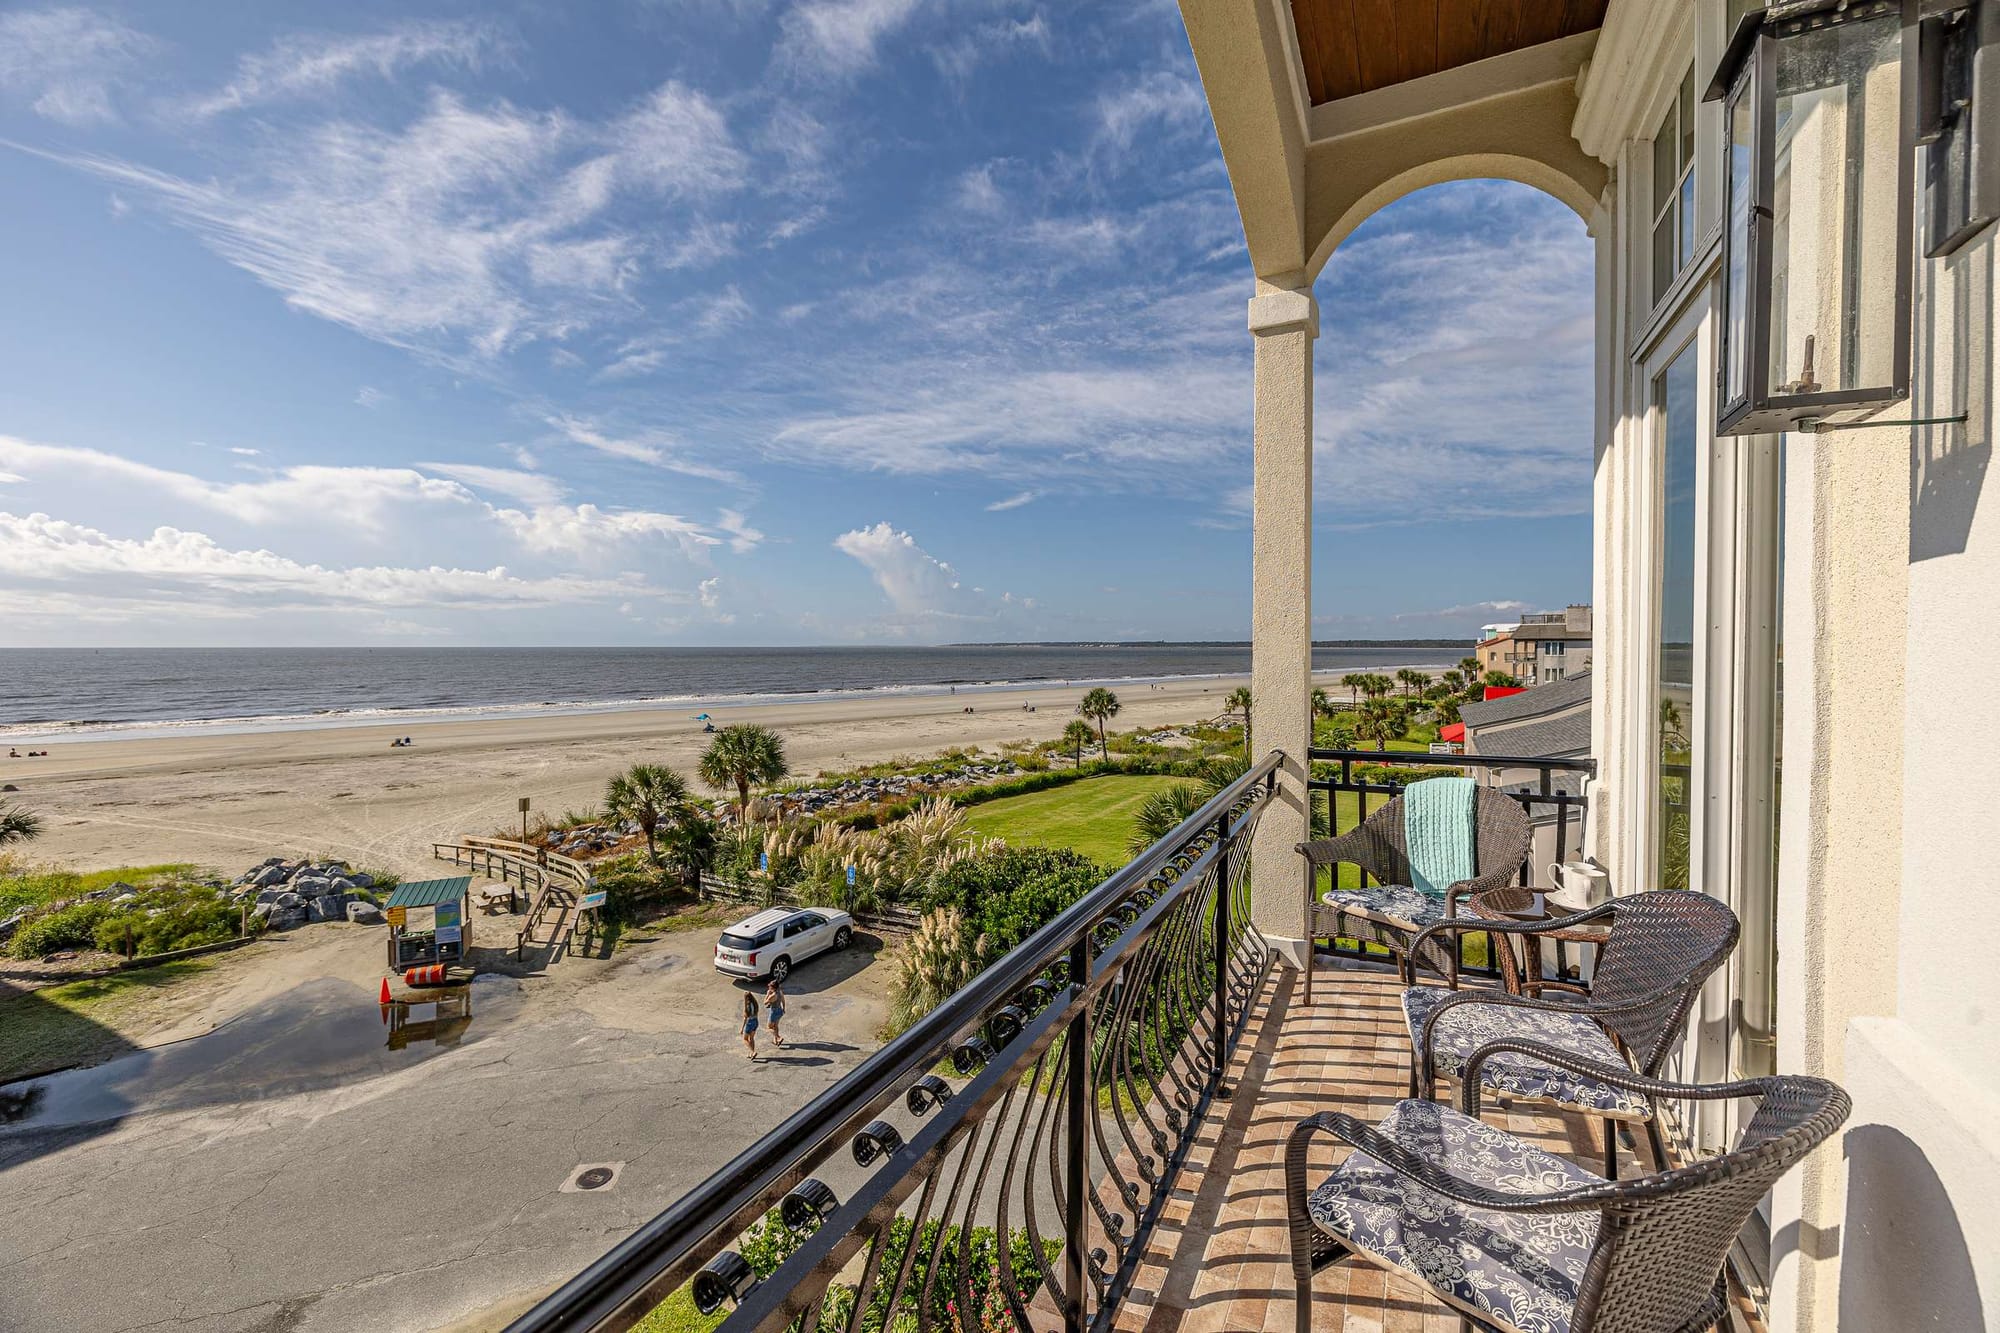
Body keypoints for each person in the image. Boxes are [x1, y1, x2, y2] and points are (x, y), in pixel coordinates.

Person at [764, 977, 787, 1049]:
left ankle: (778, 1037)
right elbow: (783, 999)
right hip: (780, 1010)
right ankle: (775, 1040)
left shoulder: (772, 996)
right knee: (775, 1026)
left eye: (770, 986)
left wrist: (767, 994)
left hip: (774, 1012)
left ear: (773, 987)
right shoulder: (779, 991)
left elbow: (765, 1002)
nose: (768, 987)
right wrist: (783, 1008)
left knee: (769, 1027)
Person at [740, 992, 759, 1060]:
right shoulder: (755, 1003)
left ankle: (752, 1051)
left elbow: (745, 1018)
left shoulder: (747, 1006)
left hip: (750, 1023)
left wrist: (742, 1028)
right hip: (756, 1021)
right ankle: (752, 1054)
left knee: (745, 1039)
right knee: (751, 1038)